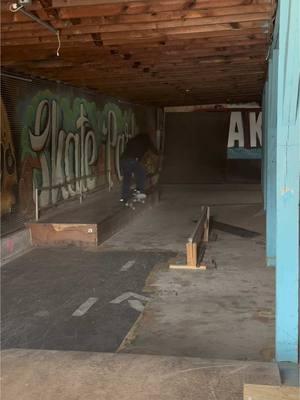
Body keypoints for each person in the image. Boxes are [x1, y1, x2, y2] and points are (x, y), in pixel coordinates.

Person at [120, 133, 158, 204]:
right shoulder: (146, 141)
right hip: (133, 160)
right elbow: (153, 149)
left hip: (124, 160)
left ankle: (124, 197)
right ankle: (140, 193)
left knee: (127, 179)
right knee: (141, 174)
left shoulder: (132, 140)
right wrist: (158, 153)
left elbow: (127, 149)